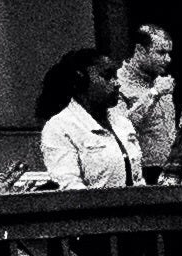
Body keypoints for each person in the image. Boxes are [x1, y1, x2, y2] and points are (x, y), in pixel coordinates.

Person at [34, 47, 141, 189]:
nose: (117, 83)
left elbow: (138, 180)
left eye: (116, 76)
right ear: (80, 80)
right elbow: (69, 188)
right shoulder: (59, 127)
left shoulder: (123, 124)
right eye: (107, 76)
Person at [113, 22, 182, 178]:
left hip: (171, 167)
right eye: (161, 52)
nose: (168, 59)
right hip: (141, 171)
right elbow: (119, 129)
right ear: (140, 50)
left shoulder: (162, 80)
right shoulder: (117, 83)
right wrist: (154, 93)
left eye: (169, 53)